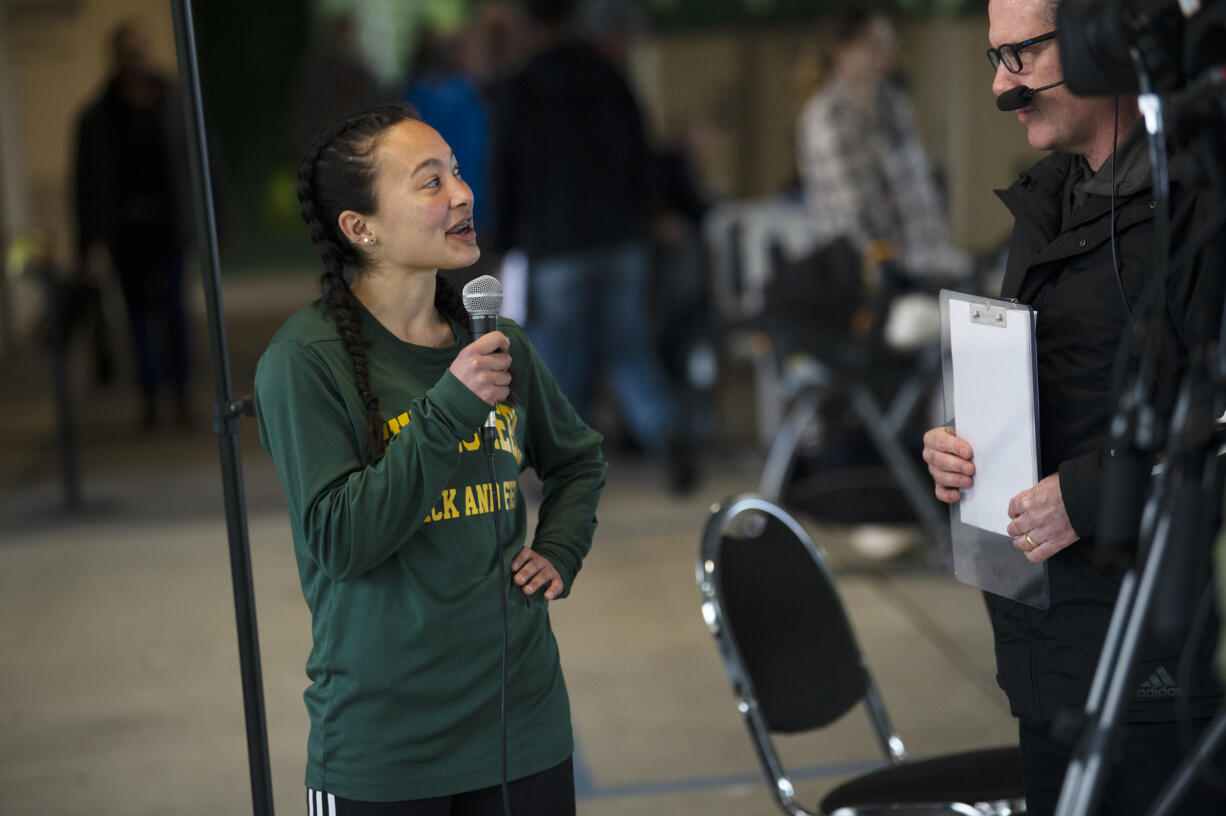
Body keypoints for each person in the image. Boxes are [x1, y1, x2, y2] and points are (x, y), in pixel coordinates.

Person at [254, 103, 606, 814]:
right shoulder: (302, 362)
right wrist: (450, 408)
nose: (462, 193)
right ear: (361, 229)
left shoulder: (493, 339)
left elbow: (578, 460)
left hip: (520, 725)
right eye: (429, 182)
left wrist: (560, 549)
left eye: (458, 172)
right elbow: (342, 541)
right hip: (385, 750)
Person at [922, 1, 1223, 813]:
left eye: (1019, 55)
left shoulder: (1198, 208)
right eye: (994, 57)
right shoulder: (1051, 197)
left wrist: (1087, 495)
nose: (1001, 86)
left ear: (1104, 41)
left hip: (1152, 662)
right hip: (1043, 653)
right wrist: (957, 446)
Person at [487, 0, 694, 492]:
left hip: (555, 246)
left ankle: (562, 467)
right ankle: (666, 430)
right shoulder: (611, 78)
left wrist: (504, 241)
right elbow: (640, 157)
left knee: (559, 359)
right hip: (621, 241)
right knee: (629, 348)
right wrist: (648, 213)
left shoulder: (520, 87)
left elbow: (504, 169)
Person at [73, 17, 193, 429]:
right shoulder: (98, 115)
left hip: (169, 225)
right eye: (126, 54)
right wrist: (87, 243)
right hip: (126, 231)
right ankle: (150, 397)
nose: (133, 61)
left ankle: (180, 395)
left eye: (138, 52)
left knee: (175, 314)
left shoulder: (173, 102)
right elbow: (86, 185)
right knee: (138, 317)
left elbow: (200, 162)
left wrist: (215, 224)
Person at [796, 10, 968, 280]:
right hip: (866, 277)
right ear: (842, 50)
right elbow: (853, 216)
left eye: (889, 43)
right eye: (874, 44)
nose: (885, 53)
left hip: (923, 261)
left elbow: (918, 187)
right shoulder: (828, 116)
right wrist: (893, 273)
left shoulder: (893, 102)